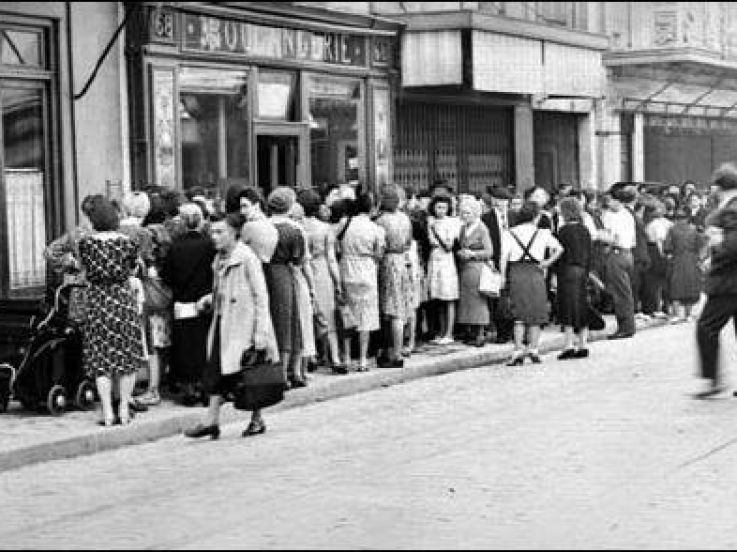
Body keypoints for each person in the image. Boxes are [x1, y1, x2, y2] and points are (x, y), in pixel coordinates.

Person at [184, 213, 279, 439]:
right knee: (216, 371)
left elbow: (260, 295)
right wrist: (210, 299)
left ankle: (256, 418)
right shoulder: (219, 259)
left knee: (249, 373)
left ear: (234, 233)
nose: (214, 237)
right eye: (212, 232)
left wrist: (261, 331)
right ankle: (211, 420)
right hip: (223, 322)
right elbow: (222, 290)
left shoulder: (246, 257)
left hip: (243, 325)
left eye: (220, 232)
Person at [78, 197, 145, 427]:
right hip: (123, 302)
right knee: (126, 358)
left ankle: (107, 411)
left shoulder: (86, 244)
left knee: (101, 361)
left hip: (98, 303)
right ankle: (124, 408)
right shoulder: (128, 242)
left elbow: (85, 272)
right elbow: (134, 269)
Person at [161, 203, 215, 406]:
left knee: (184, 346)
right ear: (201, 221)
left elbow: (167, 276)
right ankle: (205, 386)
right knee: (204, 343)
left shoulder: (175, 247)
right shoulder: (209, 245)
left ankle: (188, 388)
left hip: (183, 301)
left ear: (182, 223)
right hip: (206, 301)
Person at [500, 201, 564, 365]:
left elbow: (503, 258)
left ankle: (518, 350)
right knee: (535, 314)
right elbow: (559, 249)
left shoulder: (509, 233)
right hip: (535, 271)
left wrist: (502, 277)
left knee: (519, 314)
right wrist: (547, 262)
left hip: (516, 272)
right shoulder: (542, 233)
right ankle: (534, 349)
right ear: (536, 217)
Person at [695, 163, 737, 397]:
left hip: (728, 283)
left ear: (717, 186)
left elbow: (733, 247)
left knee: (706, 327)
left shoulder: (730, 210)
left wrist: (715, 247)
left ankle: (713, 380)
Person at [298, 189, 346, 374]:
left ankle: (310, 357)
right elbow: (332, 259)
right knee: (328, 319)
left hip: (302, 271)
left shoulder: (298, 227)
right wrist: (338, 283)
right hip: (322, 271)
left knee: (306, 317)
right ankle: (335, 357)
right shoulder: (325, 228)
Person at [264, 187, 308, 387]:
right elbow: (299, 260)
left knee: (270, 318)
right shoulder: (294, 230)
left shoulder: (262, 226)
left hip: (265, 273)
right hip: (284, 274)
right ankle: (288, 371)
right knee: (287, 318)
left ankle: (273, 369)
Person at [337, 192, 385, 371]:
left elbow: (333, 240)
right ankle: (363, 359)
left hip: (347, 267)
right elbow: (379, 253)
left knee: (347, 314)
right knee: (365, 315)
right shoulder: (376, 228)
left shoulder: (345, 223)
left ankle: (347, 356)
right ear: (374, 208)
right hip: (366, 269)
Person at [44, 194, 103, 324]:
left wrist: (72, 264)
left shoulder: (78, 232)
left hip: (80, 287)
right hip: (104, 290)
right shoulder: (107, 231)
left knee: (79, 330)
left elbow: (50, 252)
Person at [375, 185, 414, 367]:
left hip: (388, 262)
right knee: (400, 308)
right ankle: (397, 351)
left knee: (390, 310)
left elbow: (379, 246)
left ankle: (393, 352)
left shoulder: (381, 220)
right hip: (401, 261)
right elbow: (407, 243)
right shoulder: (405, 219)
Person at [554, 198, 592, 359]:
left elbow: (558, 254)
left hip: (567, 271)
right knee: (581, 305)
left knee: (567, 308)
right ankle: (583, 344)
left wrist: (554, 274)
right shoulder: (585, 230)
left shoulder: (563, 231)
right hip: (582, 270)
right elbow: (590, 254)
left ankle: (568, 345)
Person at [599, 185, 637, 339]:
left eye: (610, 201)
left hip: (617, 253)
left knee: (620, 292)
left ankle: (625, 327)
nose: (608, 204)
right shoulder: (628, 214)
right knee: (625, 291)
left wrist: (598, 235)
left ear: (617, 200)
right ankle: (628, 325)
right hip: (627, 253)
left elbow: (614, 239)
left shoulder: (615, 217)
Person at [456, 196, 494, 347]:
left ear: (476, 213)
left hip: (477, 267)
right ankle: (470, 331)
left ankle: (480, 333)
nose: (465, 216)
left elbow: (489, 251)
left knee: (478, 300)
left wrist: (473, 254)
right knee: (467, 301)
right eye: (463, 213)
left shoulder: (481, 228)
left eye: (468, 213)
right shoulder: (463, 228)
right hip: (465, 267)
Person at [426, 194, 461, 345]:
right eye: (438, 207)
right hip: (435, 259)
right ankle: (441, 331)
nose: (441, 210)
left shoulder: (451, 223)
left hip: (446, 261)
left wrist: (436, 231)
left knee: (448, 297)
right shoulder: (431, 222)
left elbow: (449, 246)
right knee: (439, 298)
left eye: (444, 207)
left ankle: (449, 332)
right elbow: (431, 242)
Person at [664, 208, 707, 323]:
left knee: (676, 287)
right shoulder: (694, 230)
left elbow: (667, 247)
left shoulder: (672, 230)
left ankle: (676, 314)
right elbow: (702, 245)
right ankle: (688, 315)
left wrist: (669, 256)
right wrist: (700, 259)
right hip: (692, 261)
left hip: (677, 260)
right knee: (690, 287)